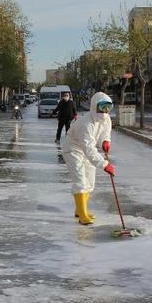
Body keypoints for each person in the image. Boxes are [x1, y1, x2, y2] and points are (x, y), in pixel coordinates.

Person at [61, 91, 115, 225]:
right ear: (95, 106)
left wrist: (105, 140)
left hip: (87, 150)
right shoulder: (86, 123)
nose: (105, 111)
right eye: (102, 107)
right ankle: (82, 214)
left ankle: (80, 209)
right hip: (73, 150)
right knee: (80, 180)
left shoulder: (106, 119)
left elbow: (105, 131)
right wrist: (104, 164)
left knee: (90, 182)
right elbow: (89, 148)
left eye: (108, 107)